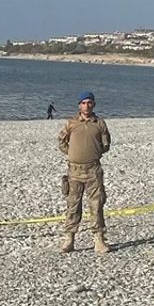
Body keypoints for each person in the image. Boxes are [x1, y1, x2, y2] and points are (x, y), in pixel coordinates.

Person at [57, 91, 112, 254]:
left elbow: (106, 145)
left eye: (89, 102)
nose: (86, 105)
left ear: (93, 104)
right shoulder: (71, 123)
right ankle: (69, 239)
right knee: (73, 206)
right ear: (79, 105)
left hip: (93, 170)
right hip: (74, 171)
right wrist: (73, 153)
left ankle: (99, 239)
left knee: (96, 206)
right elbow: (61, 141)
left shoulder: (99, 123)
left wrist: (93, 153)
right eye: (83, 103)